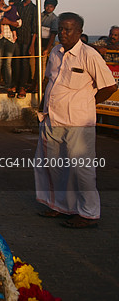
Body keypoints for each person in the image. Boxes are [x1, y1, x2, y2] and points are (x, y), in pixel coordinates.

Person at [34, 13, 116, 228]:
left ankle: (89, 213)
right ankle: (61, 206)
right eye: (60, 29)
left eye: (68, 29)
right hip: (52, 119)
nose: (63, 33)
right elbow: (49, 81)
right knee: (54, 165)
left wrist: (88, 102)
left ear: (79, 32)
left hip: (78, 121)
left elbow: (109, 87)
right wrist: (42, 108)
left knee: (81, 169)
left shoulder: (89, 55)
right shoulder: (55, 52)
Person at [14, 0, 38, 98]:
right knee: (16, 62)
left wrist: (32, 44)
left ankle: (22, 87)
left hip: (28, 39)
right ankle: (15, 85)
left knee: (25, 63)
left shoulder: (34, 8)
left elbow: (35, 28)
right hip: (16, 37)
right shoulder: (18, 6)